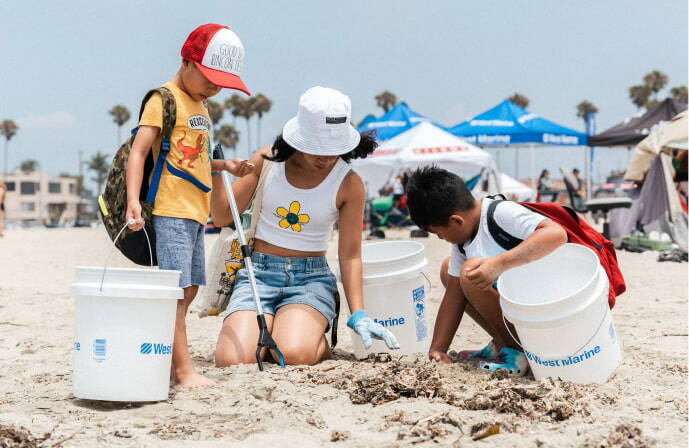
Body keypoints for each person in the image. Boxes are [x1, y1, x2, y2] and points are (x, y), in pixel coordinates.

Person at [212, 86, 400, 367]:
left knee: (292, 355)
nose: (325, 158)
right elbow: (222, 217)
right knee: (233, 360)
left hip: (309, 281)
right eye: (316, 148)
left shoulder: (349, 184)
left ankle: (314, 340)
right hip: (258, 274)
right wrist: (217, 172)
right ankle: (291, 331)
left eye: (334, 150)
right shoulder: (266, 162)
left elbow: (350, 255)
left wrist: (358, 312)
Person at [125, 24, 254, 389]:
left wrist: (225, 166)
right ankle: (182, 371)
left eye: (221, 83)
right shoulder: (162, 99)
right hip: (169, 207)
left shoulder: (201, 105)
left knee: (192, 287)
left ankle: (168, 361)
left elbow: (190, 159)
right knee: (177, 292)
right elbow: (138, 152)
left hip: (195, 210)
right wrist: (134, 200)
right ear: (187, 61)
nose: (215, 87)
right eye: (210, 78)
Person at [405, 167, 566, 375]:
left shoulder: (499, 213)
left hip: (548, 315)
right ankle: (503, 343)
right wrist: (438, 348)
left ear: (456, 221)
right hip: (520, 312)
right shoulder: (463, 240)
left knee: (470, 271)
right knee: (449, 270)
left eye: (439, 234)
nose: (441, 239)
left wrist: (499, 263)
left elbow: (556, 234)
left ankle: (518, 353)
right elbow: (454, 295)